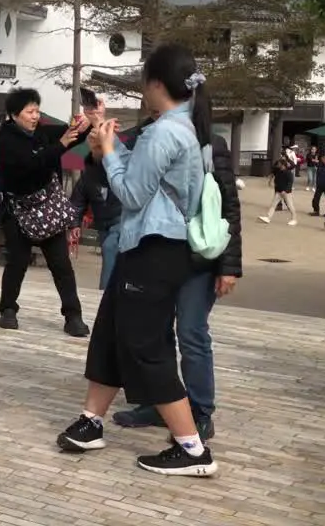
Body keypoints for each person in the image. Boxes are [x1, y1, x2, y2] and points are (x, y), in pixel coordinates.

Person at [56, 43, 218, 477]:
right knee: (110, 331)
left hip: (155, 250)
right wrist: (104, 139)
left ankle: (192, 448)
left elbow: (130, 192)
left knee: (147, 346)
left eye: (144, 80)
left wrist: (107, 151)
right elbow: (137, 176)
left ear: (156, 84)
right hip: (145, 247)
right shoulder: (173, 126)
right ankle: (91, 422)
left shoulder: (167, 132)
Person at [111, 117, 243, 442]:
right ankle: (161, 401)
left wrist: (229, 266)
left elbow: (228, 205)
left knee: (191, 332)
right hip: (159, 252)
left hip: (198, 258)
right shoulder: (147, 135)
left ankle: (200, 412)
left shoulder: (210, 143)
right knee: (157, 332)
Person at [0, 88, 90, 336]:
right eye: (30, 111)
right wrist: (60, 145)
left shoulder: (41, 133)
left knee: (61, 264)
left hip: (47, 209)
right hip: (18, 211)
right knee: (17, 262)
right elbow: (30, 166)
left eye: (37, 110)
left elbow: (72, 137)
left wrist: (86, 123)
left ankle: (73, 315)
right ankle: (8, 309)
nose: (35, 116)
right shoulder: (7, 140)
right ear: (15, 115)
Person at [69, 88, 122, 292]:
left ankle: (105, 295)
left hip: (122, 221)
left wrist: (99, 121)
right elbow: (77, 200)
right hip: (103, 224)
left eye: (99, 142)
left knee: (110, 250)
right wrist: (74, 224)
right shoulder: (90, 172)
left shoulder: (118, 161)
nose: (95, 146)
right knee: (110, 252)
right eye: (92, 143)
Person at [260, 157, 297, 226]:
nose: (278, 165)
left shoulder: (288, 173)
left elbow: (290, 183)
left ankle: (294, 219)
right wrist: (272, 183)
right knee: (273, 205)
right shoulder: (278, 171)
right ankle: (268, 217)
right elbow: (274, 174)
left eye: (279, 164)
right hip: (278, 191)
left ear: (283, 165)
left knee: (290, 205)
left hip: (286, 192)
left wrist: (286, 191)